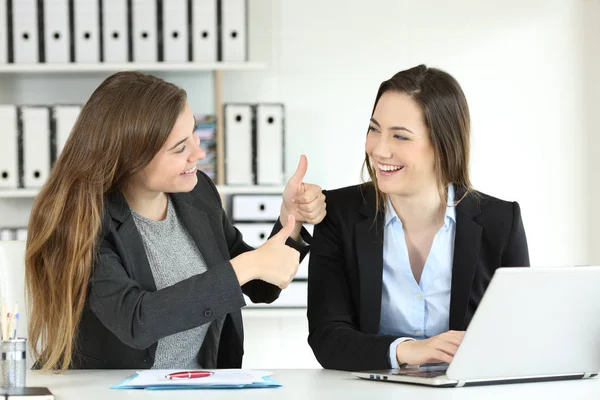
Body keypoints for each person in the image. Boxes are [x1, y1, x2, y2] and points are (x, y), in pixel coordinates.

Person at [25, 71, 327, 372]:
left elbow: (260, 286)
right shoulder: (82, 222)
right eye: (180, 147)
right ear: (131, 159)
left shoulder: (198, 194)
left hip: (193, 386)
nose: (199, 152)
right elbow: (136, 320)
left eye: (194, 132)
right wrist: (248, 265)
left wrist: (292, 218)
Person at [307, 64, 529, 372]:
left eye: (400, 136)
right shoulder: (339, 214)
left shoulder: (500, 221)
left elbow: (518, 334)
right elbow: (327, 337)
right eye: (374, 129)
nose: (379, 149)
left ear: (442, 144)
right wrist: (406, 351)